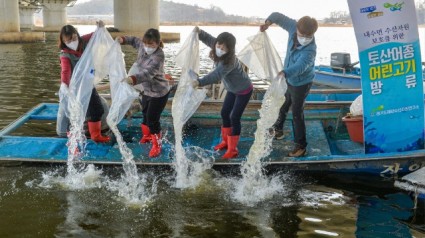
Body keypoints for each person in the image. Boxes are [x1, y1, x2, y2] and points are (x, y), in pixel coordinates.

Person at [260, 13, 318, 157]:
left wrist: (284, 73)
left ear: (312, 34)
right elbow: (277, 16)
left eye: (308, 36)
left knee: (297, 113)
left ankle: (301, 146)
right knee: (283, 103)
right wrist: (268, 23)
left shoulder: (310, 50)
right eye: (301, 34)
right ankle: (278, 130)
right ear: (297, 28)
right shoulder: (293, 27)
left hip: (302, 83)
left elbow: (300, 67)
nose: (304, 37)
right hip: (288, 79)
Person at [191, 27, 253, 159]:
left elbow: (216, 75)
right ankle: (226, 141)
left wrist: (199, 82)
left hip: (244, 90)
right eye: (219, 45)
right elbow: (209, 39)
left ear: (230, 50)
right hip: (231, 89)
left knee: (234, 117)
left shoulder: (229, 62)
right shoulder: (216, 45)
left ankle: (233, 149)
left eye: (224, 49)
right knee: (224, 113)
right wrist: (200, 33)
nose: (220, 49)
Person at [118, 28, 171, 158]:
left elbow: (148, 73)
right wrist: (122, 40)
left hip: (159, 92)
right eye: (146, 44)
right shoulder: (142, 45)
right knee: (145, 114)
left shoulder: (159, 56)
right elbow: (134, 40)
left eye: (151, 45)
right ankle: (147, 136)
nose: (147, 47)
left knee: (153, 119)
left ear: (158, 43)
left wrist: (133, 79)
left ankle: (157, 145)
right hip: (147, 90)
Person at [57, 21, 110, 143]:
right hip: (74, 88)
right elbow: (65, 71)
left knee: (97, 108)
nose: (72, 42)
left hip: (87, 84)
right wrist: (64, 85)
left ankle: (95, 135)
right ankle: (72, 140)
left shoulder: (83, 41)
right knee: (73, 113)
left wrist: (100, 27)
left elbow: (95, 35)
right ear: (63, 42)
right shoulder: (65, 55)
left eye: (74, 38)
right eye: (68, 41)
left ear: (77, 35)